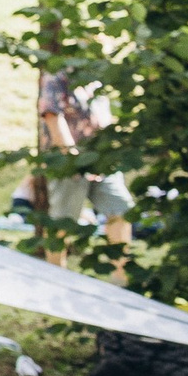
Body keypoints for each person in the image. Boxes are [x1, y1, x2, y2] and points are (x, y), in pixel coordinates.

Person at [34, 70, 132, 269]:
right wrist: (71, 157)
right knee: (62, 221)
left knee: (122, 209)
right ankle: (55, 274)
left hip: (102, 159)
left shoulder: (97, 76)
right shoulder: (56, 78)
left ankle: (122, 277)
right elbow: (52, 115)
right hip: (67, 161)